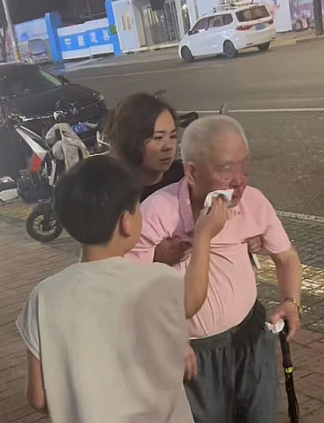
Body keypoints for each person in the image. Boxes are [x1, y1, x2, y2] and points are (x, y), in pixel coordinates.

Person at [16, 155, 229, 423]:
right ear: (126, 222)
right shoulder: (157, 280)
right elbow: (193, 299)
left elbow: (38, 398)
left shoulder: (44, 297)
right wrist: (204, 236)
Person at [127, 115, 303, 423]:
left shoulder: (254, 202)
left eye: (244, 166)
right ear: (192, 172)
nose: (239, 180)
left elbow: (286, 256)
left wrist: (292, 301)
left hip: (249, 339)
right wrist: (166, 339)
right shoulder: (157, 212)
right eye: (226, 169)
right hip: (193, 354)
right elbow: (128, 291)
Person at [106, 92, 261, 267]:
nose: (168, 146)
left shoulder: (187, 178)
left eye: (173, 136)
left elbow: (230, 212)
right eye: (158, 138)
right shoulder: (114, 192)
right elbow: (106, 259)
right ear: (131, 140)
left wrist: (250, 235)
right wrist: (152, 255)